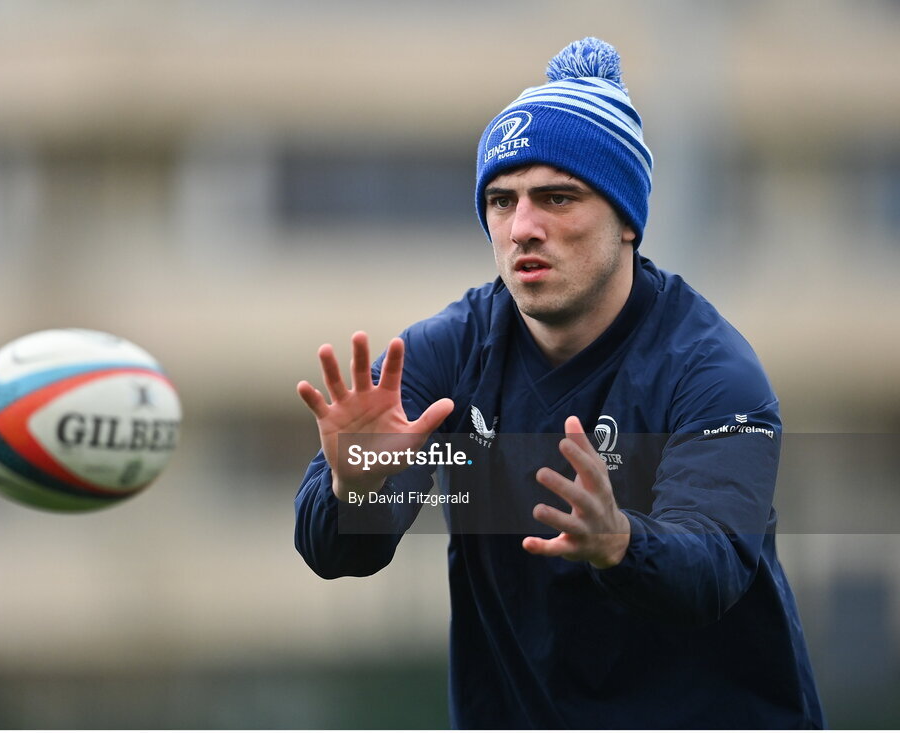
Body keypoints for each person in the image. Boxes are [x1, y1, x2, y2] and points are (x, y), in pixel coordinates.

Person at [293, 37, 825, 729]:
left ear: (626, 221)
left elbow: (715, 565)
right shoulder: (444, 353)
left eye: (556, 197)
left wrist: (621, 542)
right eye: (501, 200)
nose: (523, 228)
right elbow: (341, 550)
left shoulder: (710, 368)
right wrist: (354, 490)